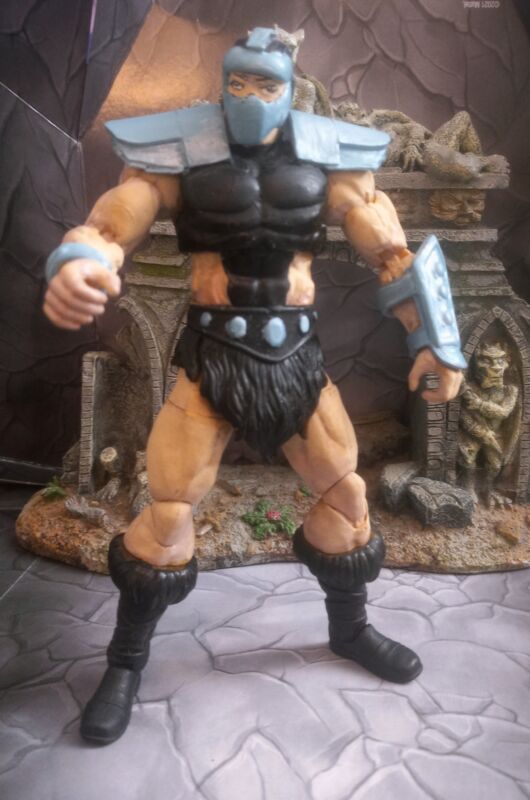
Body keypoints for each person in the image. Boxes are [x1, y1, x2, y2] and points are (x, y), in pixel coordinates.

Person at [43, 28, 465, 745]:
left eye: (265, 84)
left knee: (348, 498)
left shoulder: (330, 156)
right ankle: (124, 663)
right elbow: (112, 223)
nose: (249, 96)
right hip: (214, 356)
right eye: (236, 82)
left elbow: (392, 252)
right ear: (221, 83)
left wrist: (436, 342)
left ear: (291, 85)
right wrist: (79, 260)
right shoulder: (179, 151)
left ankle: (350, 630)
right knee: (167, 515)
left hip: (296, 357)